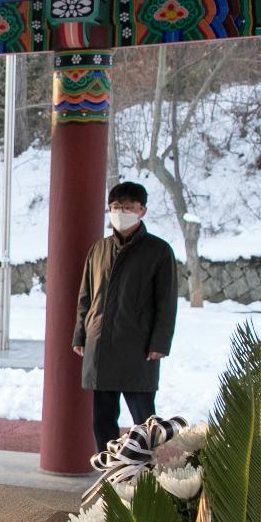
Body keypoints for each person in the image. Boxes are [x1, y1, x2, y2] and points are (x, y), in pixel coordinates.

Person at [73, 181, 178, 453]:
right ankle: (110, 473)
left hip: (138, 348)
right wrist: (80, 335)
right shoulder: (99, 249)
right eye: (116, 207)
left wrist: (159, 343)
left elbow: (166, 302)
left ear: (142, 210)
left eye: (128, 207)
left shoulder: (158, 251)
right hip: (101, 347)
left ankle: (146, 475)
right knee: (102, 419)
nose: (121, 212)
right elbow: (86, 296)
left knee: (144, 421)